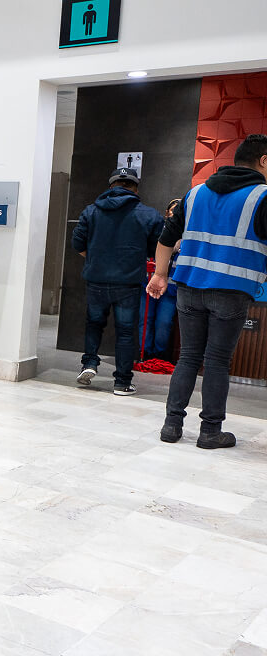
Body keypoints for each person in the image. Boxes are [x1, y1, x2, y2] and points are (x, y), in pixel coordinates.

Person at [149, 134, 267, 449]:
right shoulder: (262, 197)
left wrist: (160, 275)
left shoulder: (195, 193)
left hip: (188, 287)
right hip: (231, 292)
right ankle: (210, 432)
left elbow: (165, 238)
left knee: (187, 357)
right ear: (263, 160)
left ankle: (171, 426)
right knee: (216, 361)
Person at [71, 167, 164, 395]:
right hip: (128, 283)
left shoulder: (91, 211)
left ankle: (89, 364)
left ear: (111, 186)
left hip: (96, 280)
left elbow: (77, 244)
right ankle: (122, 383)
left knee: (94, 324)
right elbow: (156, 249)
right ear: (136, 188)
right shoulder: (149, 215)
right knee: (124, 332)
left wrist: (95, 259)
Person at [140, 199, 182, 360]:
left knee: (163, 323)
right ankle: (144, 353)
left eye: (177, 211)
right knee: (145, 320)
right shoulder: (156, 230)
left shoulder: (188, 235)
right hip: (149, 283)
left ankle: (158, 355)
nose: (173, 214)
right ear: (166, 213)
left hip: (171, 288)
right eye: (171, 211)